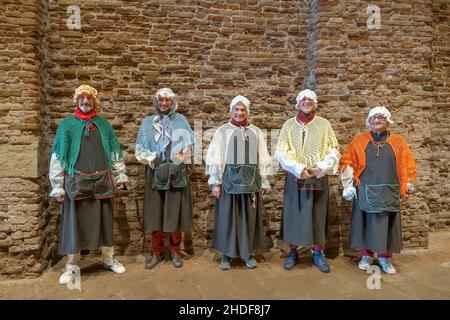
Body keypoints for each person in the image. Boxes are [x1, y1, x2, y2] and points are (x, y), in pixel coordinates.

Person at [49, 84, 128, 285]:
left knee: (105, 221)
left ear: (95, 101)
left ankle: (109, 258)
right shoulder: (67, 125)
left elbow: (115, 152)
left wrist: (120, 176)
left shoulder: (104, 125)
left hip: (102, 181)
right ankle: (71, 265)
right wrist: (57, 185)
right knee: (73, 225)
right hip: (76, 183)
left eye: (89, 98)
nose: (85, 101)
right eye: (82, 98)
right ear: (76, 100)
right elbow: (58, 157)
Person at [340, 106, 417, 275]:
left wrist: (408, 181)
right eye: (373, 118)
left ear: (387, 121)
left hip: (389, 191)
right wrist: (348, 185)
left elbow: (407, 163)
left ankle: (384, 258)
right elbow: (347, 161)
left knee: (386, 227)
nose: (376, 121)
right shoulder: (360, 140)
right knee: (365, 224)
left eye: (380, 118)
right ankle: (366, 256)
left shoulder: (398, 141)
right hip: (365, 189)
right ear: (368, 121)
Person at [275, 89, 340, 273]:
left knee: (317, 216)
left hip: (317, 176)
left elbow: (333, 150)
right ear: (298, 103)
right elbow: (281, 151)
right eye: (303, 99)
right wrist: (298, 168)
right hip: (295, 176)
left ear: (315, 103)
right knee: (294, 214)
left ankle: (318, 253)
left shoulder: (324, 125)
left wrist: (319, 167)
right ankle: (293, 251)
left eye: (309, 99)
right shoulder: (288, 125)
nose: (306, 102)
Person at [205, 95, 272, 270]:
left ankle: (247, 253)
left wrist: (263, 181)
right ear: (231, 111)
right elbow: (215, 156)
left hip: (250, 183)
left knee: (248, 219)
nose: (239, 113)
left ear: (247, 112)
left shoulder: (256, 131)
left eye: (243, 110)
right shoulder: (222, 131)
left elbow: (263, 157)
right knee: (228, 219)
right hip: (229, 183)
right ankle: (227, 255)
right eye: (236, 109)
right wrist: (215, 182)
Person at [135, 88, 195, 269]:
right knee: (156, 213)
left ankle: (175, 250)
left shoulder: (181, 121)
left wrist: (176, 161)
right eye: (161, 100)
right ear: (156, 101)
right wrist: (154, 160)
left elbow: (190, 145)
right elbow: (139, 149)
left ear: (172, 102)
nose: (164, 103)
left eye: (167, 100)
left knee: (175, 212)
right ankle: (156, 251)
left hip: (176, 172)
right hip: (155, 172)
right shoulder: (147, 123)